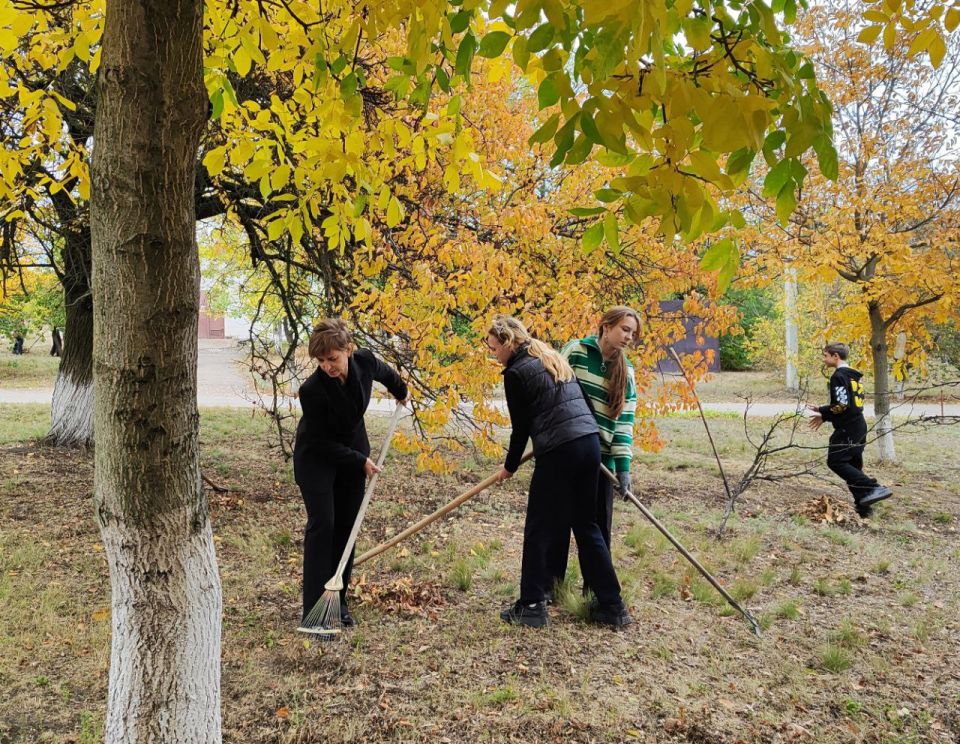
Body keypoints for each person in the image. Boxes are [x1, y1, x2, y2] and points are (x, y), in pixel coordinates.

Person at [487, 315, 632, 629]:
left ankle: (532, 605)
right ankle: (612, 605)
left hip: (559, 450)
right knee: (587, 525)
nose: (493, 355)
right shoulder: (550, 355)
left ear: (509, 343)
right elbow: (578, 404)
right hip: (588, 444)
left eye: (495, 348)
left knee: (539, 528)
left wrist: (509, 467)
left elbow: (520, 428)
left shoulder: (515, 372)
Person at [293, 319, 409, 627]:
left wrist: (402, 391)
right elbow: (320, 442)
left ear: (349, 349)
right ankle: (314, 614)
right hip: (317, 458)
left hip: (353, 454)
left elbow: (387, 374)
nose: (328, 366)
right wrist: (359, 460)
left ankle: (337, 602)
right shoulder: (312, 390)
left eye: (333, 358)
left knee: (347, 527)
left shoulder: (365, 361)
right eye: (321, 361)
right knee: (324, 526)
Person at [549, 306, 640, 590]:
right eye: (625, 329)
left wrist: (623, 469)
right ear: (605, 326)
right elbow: (554, 394)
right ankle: (552, 586)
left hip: (601, 463)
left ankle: (595, 592)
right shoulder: (575, 352)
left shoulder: (628, 375)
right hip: (565, 453)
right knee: (558, 523)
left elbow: (624, 425)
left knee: (597, 529)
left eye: (633, 333)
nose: (629, 337)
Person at [807, 342, 892, 518]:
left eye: (825, 355)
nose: (824, 359)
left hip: (848, 428)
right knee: (853, 466)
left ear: (835, 357)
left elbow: (842, 405)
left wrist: (822, 410)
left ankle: (873, 488)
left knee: (836, 462)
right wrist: (825, 416)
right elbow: (850, 406)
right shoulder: (853, 376)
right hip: (858, 425)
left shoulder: (839, 376)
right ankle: (864, 508)